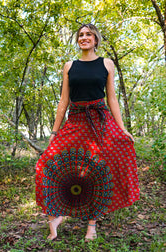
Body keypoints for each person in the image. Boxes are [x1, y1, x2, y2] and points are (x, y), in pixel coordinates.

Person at [36, 23, 139, 242]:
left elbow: (112, 98)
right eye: (81, 35)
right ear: (78, 40)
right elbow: (64, 101)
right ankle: (57, 215)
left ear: (96, 39)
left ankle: (91, 225)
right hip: (76, 119)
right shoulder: (69, 66)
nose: (84, 38)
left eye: (88, 35)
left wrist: (122, 129)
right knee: (47, 163)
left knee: (96, 172)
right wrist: (54, 132)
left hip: (100, 120)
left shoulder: (107, 63)